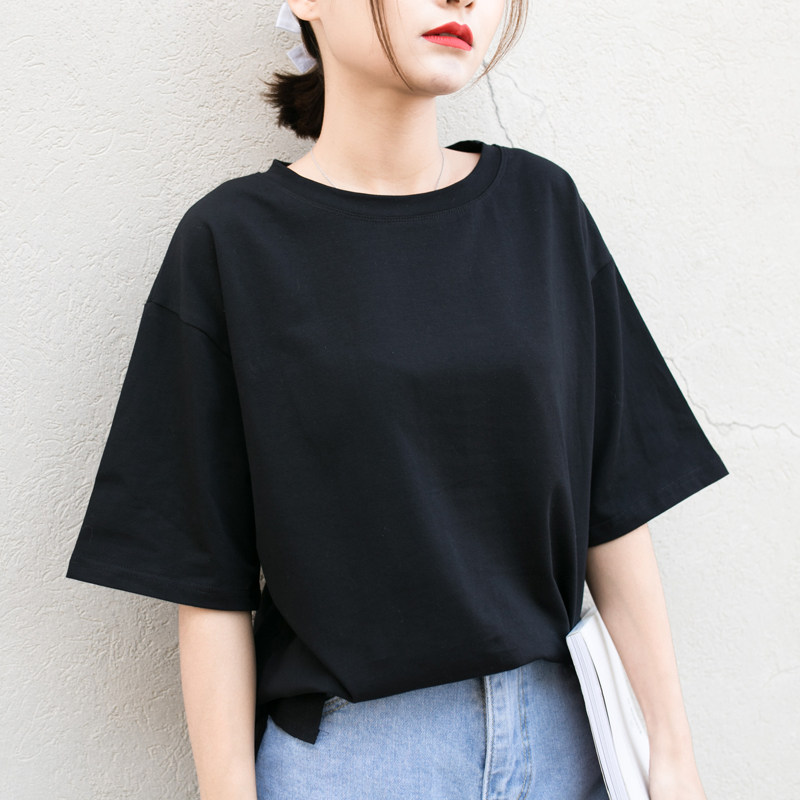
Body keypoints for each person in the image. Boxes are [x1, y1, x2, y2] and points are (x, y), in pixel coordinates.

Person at [65, 0, 730, 797]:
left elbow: (614, 504)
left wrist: (672, 755)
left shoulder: (541, 208)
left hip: (566, 741)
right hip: (361, 762)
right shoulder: (232, 243)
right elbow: (206, 577)